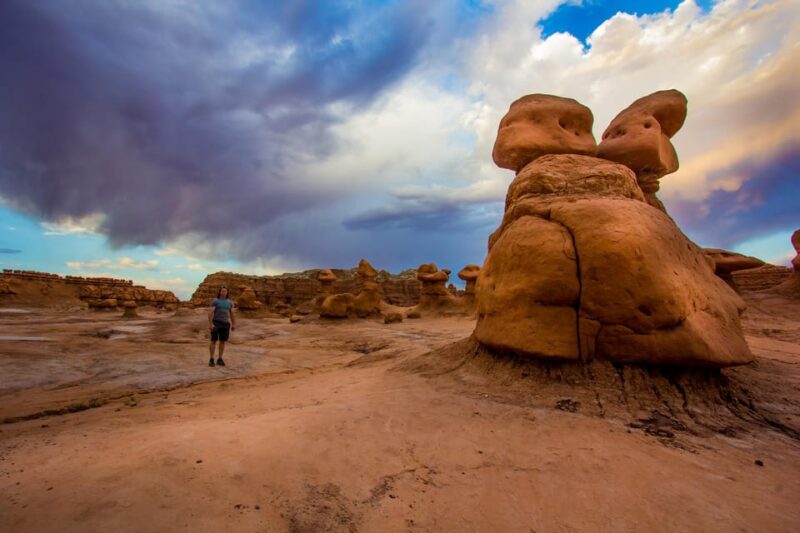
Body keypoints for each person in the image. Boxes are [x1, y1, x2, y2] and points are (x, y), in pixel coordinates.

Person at [208, 286, 236, 367]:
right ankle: (211, 359)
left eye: (225, 291)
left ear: (227, 293)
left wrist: (233, 324)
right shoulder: (215, 301)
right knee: (213, 341)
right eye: (222, 291)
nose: (224, 292)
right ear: (220, 292)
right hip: (216, 323)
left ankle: (220, 359)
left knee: (222, 341)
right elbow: (210, 313)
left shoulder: (230, 302)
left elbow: (232, 313)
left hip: (225, 323)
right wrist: (211, 324)